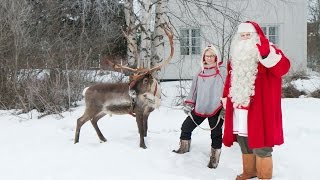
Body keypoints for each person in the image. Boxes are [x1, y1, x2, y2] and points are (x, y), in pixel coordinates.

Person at [221, 21, 290, 179]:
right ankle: (249, 171)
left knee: (261, 143)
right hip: (240, 107)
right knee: (244, 140)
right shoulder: (235, 57)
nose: (245, 38)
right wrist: (225, 96)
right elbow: (229, 79)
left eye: (248, 35)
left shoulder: (268, 51)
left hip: (260, 109)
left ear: (256, 37)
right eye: (242, 35)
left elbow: (283, 68)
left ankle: (264, 175)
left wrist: (266, 54)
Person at [173, 44, 226, 169]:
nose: (209, 58)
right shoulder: (199, 72)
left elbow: (228, 89)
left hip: (216, 107)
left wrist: (225, 107)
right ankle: (184, 148)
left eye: (212, 55)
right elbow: (194, 90)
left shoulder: (222, 71)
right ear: (203, 57)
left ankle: (214, 159)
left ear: (216, 57)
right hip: (200, 107)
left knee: (216, 134)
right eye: (207, 56)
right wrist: (189, 103)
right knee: (186, 127)